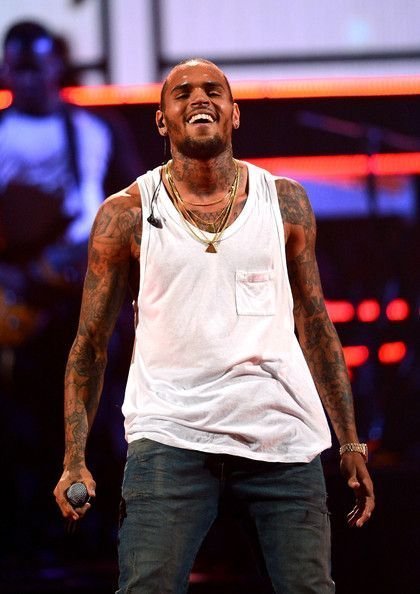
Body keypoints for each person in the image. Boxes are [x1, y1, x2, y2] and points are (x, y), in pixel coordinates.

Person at [54, 58, 375, 593]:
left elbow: (316, 325)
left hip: (281, 438)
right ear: (162, 120)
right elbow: (89, 346)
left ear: (234, 113)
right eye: (182, 93)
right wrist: (73, 458)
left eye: (212, 90)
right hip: (169, 436)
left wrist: (350, 443)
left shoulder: (285, 201)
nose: (199, 98)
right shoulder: (125, 213)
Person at [0, 21, 141, 559]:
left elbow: (135, 211)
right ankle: (32, 542)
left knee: (98, 424)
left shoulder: (95, 131)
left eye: (36, 66)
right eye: (18, 67)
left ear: (56, 66)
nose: (28, 79)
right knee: (25, 429)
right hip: (18, 309)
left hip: (84, 306)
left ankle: (102, 541)